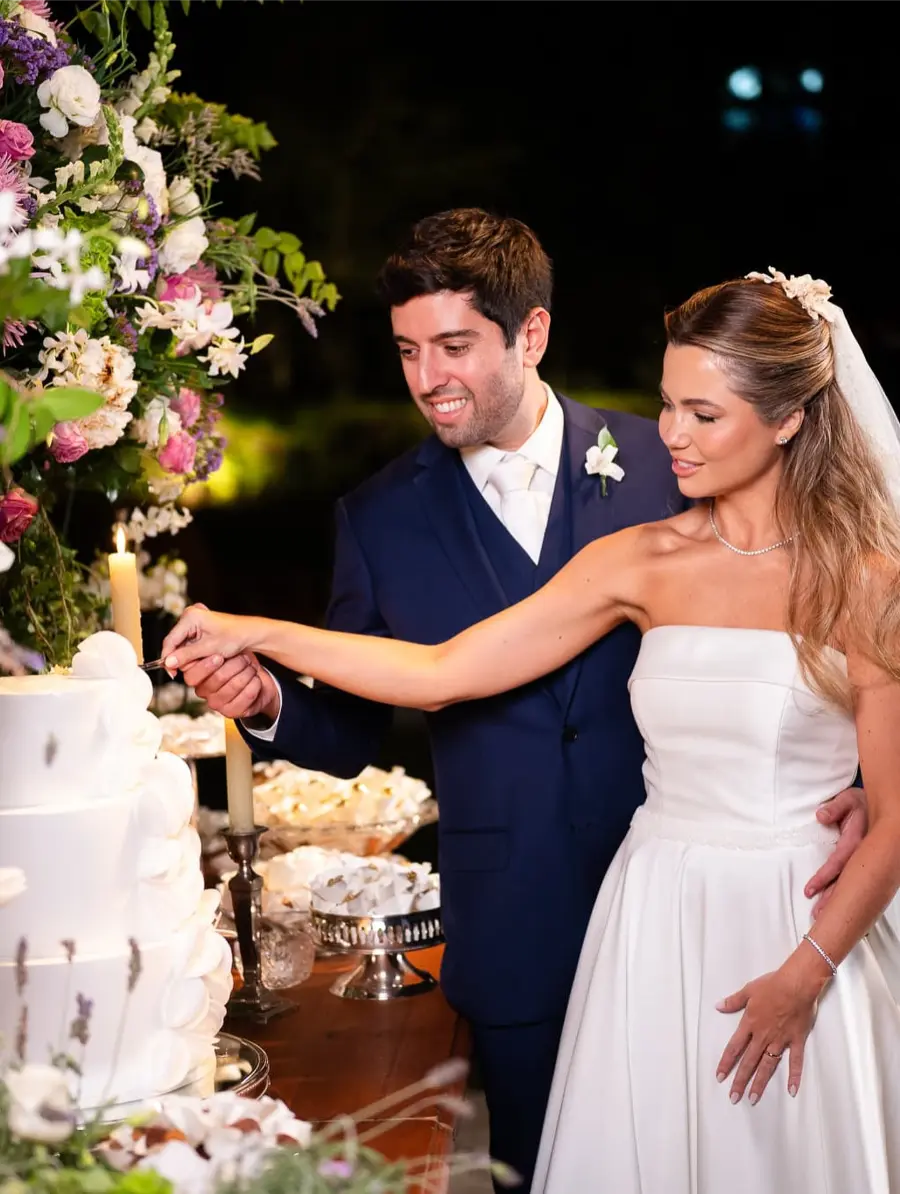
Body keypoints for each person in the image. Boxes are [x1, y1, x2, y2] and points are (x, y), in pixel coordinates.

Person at [169, 244, 868, 1190]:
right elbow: (441, 672)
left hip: (799, 911)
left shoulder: (813, 551)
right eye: (668, 406)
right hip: (627, 916)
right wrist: (265, 643)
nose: (676, 433)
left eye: (703, 412)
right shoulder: (626, 553)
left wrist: (824, 905)